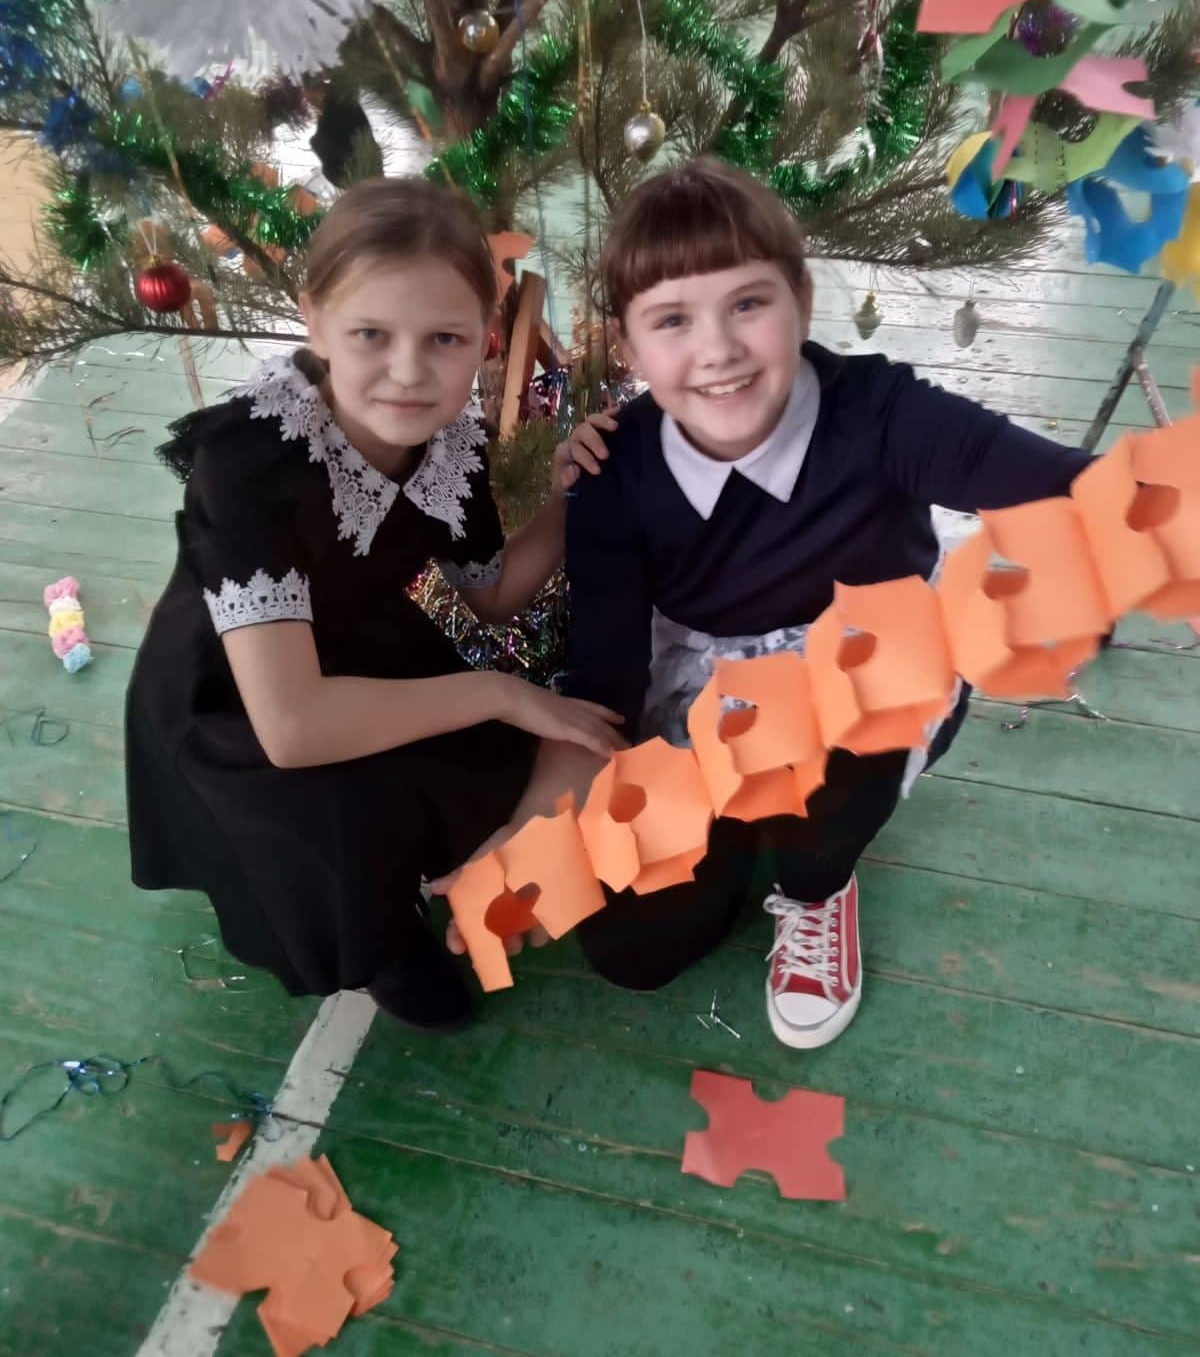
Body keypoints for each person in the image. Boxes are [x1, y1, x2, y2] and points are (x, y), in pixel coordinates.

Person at [561, 157, 1093, 1050]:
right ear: (628, 347)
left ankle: (817, 883)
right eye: (672, 320)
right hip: (710, 700)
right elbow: (603, 681)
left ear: (801, 301)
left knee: (843, 756)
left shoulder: (878, 412)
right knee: (634, 950)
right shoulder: (614, 473)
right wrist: (567, 827)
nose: (718, 350)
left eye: (748, 303)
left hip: (867, 675)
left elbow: (1059, 485)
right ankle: (740, 839)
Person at [125, 177, 620, 1032]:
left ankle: (427, 874)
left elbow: (489, 594)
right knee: (333, 812)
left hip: (362, 643)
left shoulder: (451, 444)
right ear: (315, 323)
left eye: (444, 339)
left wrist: (572, 498)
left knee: (484, 750)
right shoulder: (250, 462)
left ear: (483, 335)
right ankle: (375, 940)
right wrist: (501, 692)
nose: (409, 372)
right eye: (370, 334)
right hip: (241, 698)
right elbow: (292, 728)